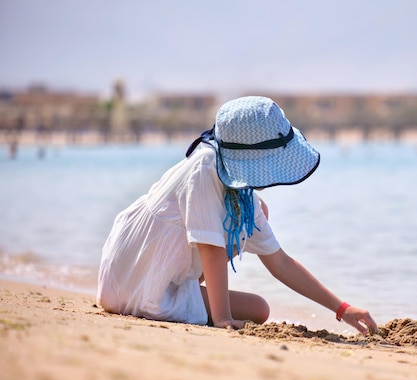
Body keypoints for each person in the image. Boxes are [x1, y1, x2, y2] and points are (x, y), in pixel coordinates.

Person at [97, 96, 377, 336]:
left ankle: (194, 294)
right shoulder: (205, 168)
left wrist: (342, 308)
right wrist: (222, 319)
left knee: (258, 304)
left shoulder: (238, 190)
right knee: (258, 308)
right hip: (135, 281)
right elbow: (211, 248)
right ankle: (202, 303)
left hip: (144, 272)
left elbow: (279, 261)